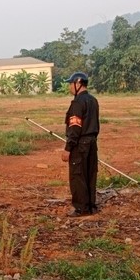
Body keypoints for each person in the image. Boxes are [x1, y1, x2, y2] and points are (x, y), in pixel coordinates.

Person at [61, 72, 100, 217]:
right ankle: (91, 207)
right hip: (92, 143)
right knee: (90, 174)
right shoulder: (93, 100)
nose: (70, 87)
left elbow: (75, 127)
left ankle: (81, 208)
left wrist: (68, 148)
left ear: (78, 84)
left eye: (71, 84)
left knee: (78, 175)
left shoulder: (77, 103)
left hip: (80, 144)